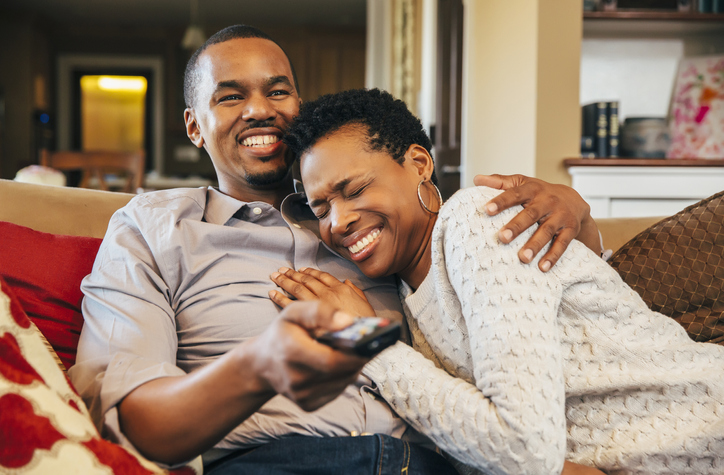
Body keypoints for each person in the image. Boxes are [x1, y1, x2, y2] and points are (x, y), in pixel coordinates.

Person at [68, 25, 603, 474]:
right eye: (230, 96)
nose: (260, 109)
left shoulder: (379, 221)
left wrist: (577, 213)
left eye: (278, 91)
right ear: (194, 127)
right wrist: (260, 364)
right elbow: (135, 422)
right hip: (270, 463)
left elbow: (540, 305)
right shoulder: (154, 227)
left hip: (432, 462)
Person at [272, 87, 724, 475]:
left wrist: (369, 341)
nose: (340, 221)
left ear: (418, 164)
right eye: (321, 208)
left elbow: (521, 447)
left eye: (353, 190)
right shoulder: (404, 292)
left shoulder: (477, 222)